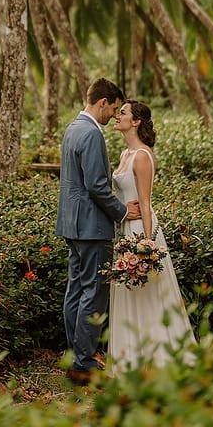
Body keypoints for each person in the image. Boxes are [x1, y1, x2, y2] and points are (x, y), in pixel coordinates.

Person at [55, 77, 141, 385]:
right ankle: (84, 363)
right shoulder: (91, 134)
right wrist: (122, 212)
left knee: (76, 289)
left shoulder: (72, 128)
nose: (114, 116)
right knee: (94, 292)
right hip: (92, 227)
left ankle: (76, 355)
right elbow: (96, 186)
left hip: (72, 224)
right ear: (102, 102)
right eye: (114, 108)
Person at [108, 99, 196, 373]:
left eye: (122, 113)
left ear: (136, 122)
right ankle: (130, 358)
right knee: (128, 294)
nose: (117, 116)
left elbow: (145, 203)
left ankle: (157, 358)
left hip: (140, 231)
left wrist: (147, 245)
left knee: (147, 293)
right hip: (124, 229)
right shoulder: (124, 155)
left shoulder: (143, 156)